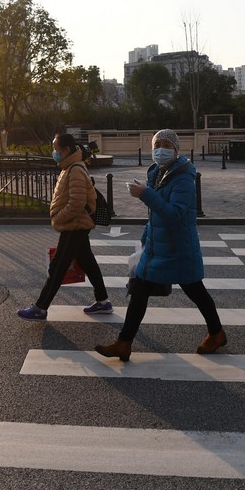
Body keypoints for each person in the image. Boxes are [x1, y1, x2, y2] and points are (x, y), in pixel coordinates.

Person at [95, 129, 226, 361]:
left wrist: (145, 194)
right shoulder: (157, 173)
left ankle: (216, 333)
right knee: (139, 290)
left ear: (176, 150)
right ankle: (124, 343)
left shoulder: (183, 178)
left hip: (179, 248)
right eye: (157, 145)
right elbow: (156, 214)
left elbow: (175, 214)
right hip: (158, 248)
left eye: (167, 145)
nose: (160, 149)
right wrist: (146, 238)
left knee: (196, 291)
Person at [18, 133, 112, 320]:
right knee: (87, 261)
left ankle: (40, 307)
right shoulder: (69, 166)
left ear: (66, 150)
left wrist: (59, 218)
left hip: (75, 224)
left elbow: (77, 202)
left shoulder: (75, 169)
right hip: (77, 223)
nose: (54, 152)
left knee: (58, 266)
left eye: (55, 149)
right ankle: (103, 301)